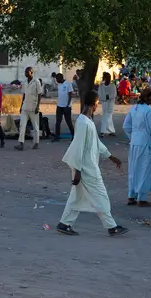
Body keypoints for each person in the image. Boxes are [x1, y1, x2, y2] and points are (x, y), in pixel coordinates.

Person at [55, 90, 128, 237]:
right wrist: (78, 171)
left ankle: (64, 223)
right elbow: (78, 147)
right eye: (97, 103)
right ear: (93, 103)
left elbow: (96, 143)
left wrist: (110, 156)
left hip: (85, 166)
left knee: (76, 196)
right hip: (86, 168)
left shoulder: (87, 122)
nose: (97, 105)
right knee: (101, 196)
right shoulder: (83, 123)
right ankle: (111, 226)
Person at [123, 88, 151, 206]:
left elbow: (126, 126)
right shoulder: (148, 110)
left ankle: (131, 196)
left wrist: (134, 136)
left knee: (134, 170)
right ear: (146, 98)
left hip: (135, 143)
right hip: (145, 144)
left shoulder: (134, 108)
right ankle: (142, 198)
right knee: (144, 170)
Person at [16, 66, 42, 150]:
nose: (25, 73)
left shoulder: (36, 82)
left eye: (27, 72)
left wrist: (38, 106)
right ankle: (21, 143)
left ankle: (36, 143)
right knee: (22, 125)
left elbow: (39, 94)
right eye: (25, 72)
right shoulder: (24, 82)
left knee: (35, 126)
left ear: (31, 72)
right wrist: (21, 106)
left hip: (33, 107)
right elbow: (24, 95)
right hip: (25, 107)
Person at [53, 73, 75, 141]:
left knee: (68, 122)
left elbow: (70, 95)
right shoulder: (59, 85)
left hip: (66, 106)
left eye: (57, 79)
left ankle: (73, 135)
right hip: (59, 106)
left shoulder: (68, 84)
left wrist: (68, 105)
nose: (56, 81)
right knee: (58, 122)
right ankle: (57, 136)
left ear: (61, 78)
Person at [98, 72, 117, 136]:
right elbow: (100, 93)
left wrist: (108, 97)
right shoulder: (101, 85)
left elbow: (114, 94)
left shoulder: (112, 85)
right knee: (105, 115)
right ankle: (105, 130)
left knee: (108, 115)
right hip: (104, 102)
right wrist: (104, 98)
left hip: (110, 103)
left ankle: (107, 130)